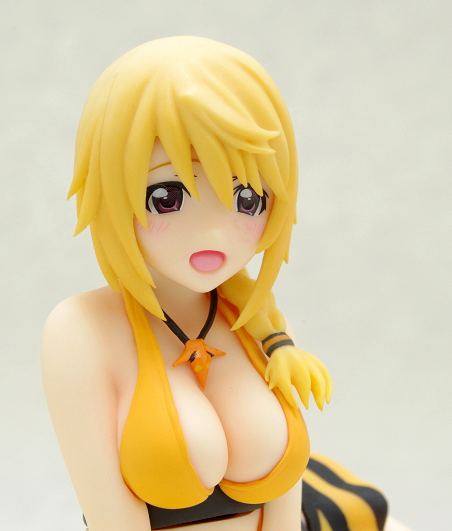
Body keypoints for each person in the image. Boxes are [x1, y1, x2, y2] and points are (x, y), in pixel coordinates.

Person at [42, 36, 392, 531]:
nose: (213, 232)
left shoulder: (259, 322)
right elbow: (110, 517)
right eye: (167, 196)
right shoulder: (81, 332)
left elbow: (284, 505)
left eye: (247, 198)